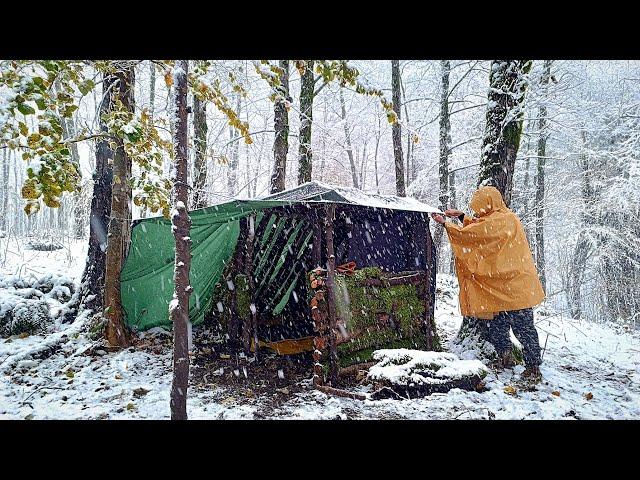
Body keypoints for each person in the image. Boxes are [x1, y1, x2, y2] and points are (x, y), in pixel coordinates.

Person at [431, 186, 545, 381]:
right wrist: (461, 217)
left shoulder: (504, 220)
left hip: (516, 288)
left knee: (524, 330)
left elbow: (474, 234)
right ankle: (505, 357)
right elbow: (480, 227)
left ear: (490, 204)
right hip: (502, 287)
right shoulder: (503, 218)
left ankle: (533, 368)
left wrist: (446, 225)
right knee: (498, 327)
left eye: (481, 208)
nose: (478, 212)